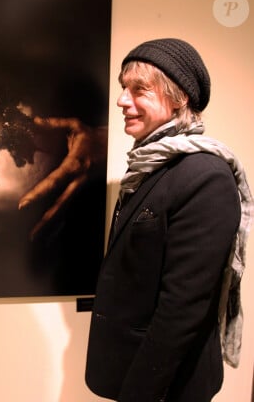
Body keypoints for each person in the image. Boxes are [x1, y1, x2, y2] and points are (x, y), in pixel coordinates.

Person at [85, 38, 253, 401]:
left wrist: (140, 394)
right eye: (123, 88)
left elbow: (184, 307)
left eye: (139, 90)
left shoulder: (205, 176)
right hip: (133, 368)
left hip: (167, 386)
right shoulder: (147, 167)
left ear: (180, 98)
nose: (122, 101)